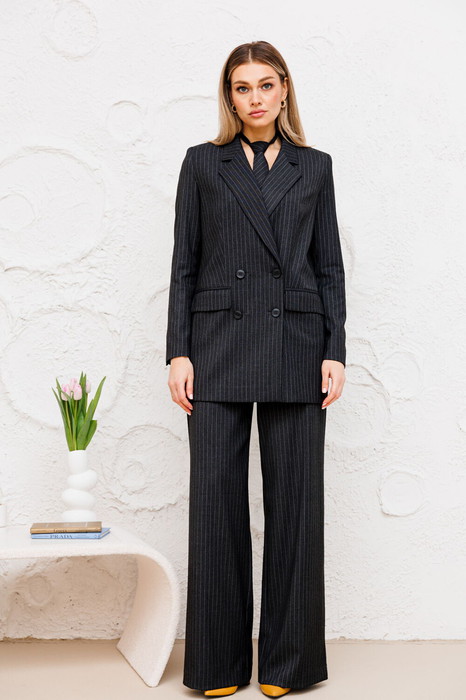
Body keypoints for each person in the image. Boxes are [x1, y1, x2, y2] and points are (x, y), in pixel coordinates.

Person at [166, 40, 346, 698]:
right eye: (242, 88)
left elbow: (329, 265)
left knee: (296, 505)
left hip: (296, 343)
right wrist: (178, 350)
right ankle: (217, 665)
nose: (256, 98)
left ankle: (287, 664)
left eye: (266, 84)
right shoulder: (202, 163)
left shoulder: (315, 166)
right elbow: (184, 263)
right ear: (230, 97)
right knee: (215, 504)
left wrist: (335, 348)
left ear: (285, 89)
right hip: (216, 345)